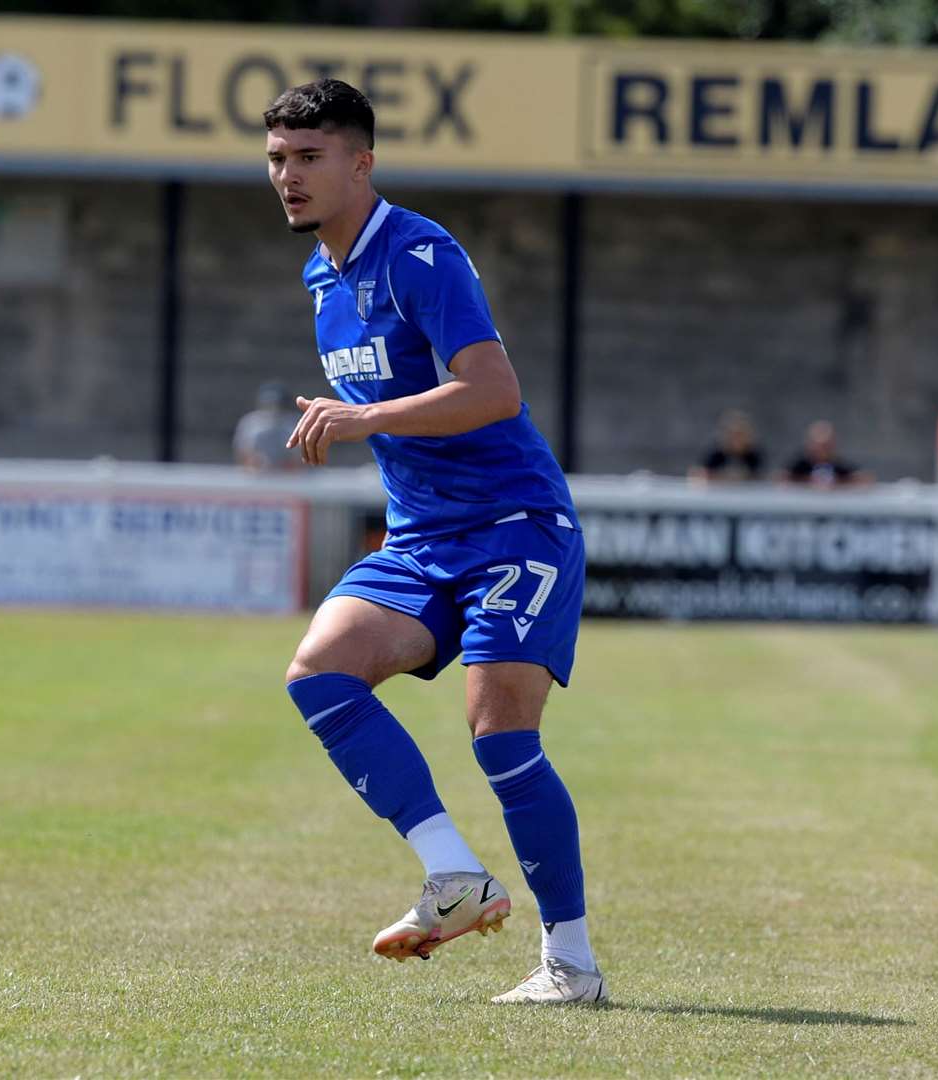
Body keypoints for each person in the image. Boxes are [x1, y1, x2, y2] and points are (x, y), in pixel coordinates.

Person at [267, 79, 605, 1006]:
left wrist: (361, 417)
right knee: (319, 671)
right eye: (277, 160)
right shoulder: (320, 276)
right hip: (423, 538)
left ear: (361, 163)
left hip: (513, 528)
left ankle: (571, 966)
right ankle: (455, 876)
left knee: (498, 733)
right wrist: (360, 423)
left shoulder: (421, 252)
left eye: (309, 157)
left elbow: (495, 391)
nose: (288, 177)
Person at [232, 380, 302, 472]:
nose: (273, 410)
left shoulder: (295, 423)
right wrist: (257, 462)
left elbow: (300, 458)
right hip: (256, 478)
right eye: (268, 404)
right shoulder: (250, 423)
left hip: (289, 480)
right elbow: (242, 454)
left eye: (277, 405)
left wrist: (281, 466)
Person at [781, 420, 872, 488]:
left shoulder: (839, 464)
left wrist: (838, 482)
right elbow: (781, 478)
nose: (822, 450)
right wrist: (807, 481)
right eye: (819, 446)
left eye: (826, 446)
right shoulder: (800, 465)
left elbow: (865, 479)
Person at [691, 408, 765, 483]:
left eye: (741, 434)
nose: (737, 439)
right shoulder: (716, 454)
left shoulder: (754, 456)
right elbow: (698, 474)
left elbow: (764, 477)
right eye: (733, 435)